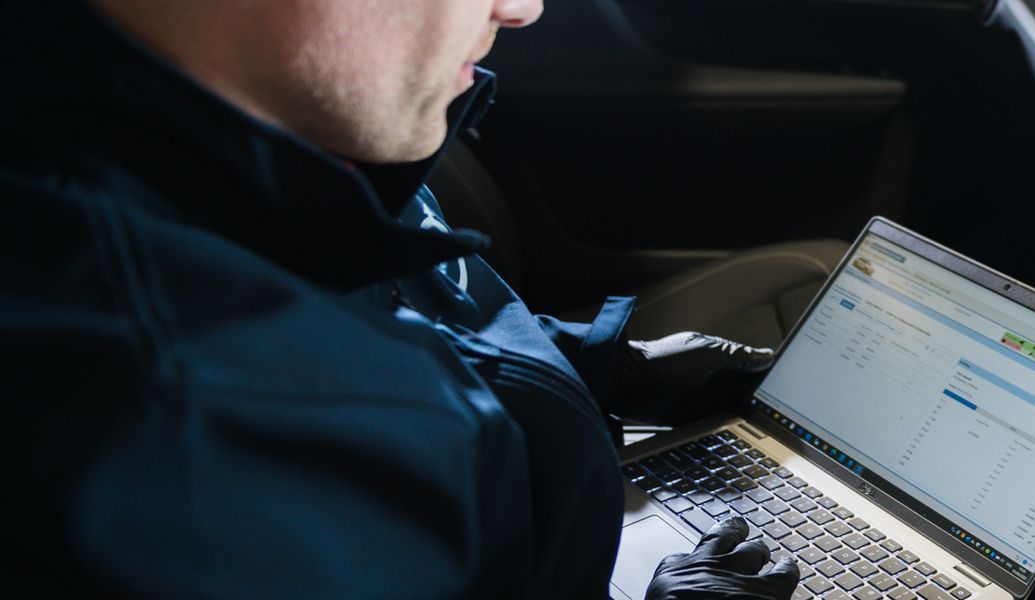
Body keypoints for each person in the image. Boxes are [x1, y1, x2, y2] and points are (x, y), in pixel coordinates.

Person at [0, 0, 801, 597]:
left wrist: (595, 365)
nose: (522, 9)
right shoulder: (174, 451)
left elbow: (369, 312)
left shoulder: (270, 137)